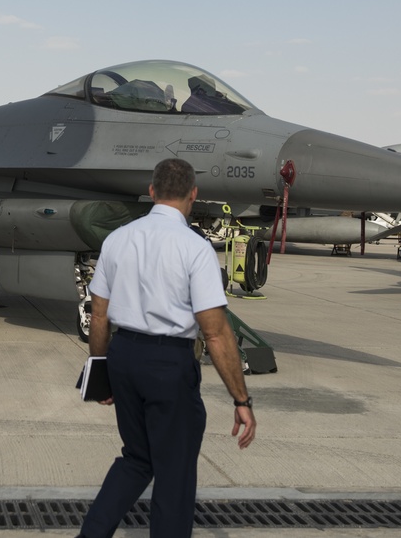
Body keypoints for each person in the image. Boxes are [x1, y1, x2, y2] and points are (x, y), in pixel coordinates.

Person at [78, 158, 257, 538]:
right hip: (168, 361)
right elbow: (216, 333)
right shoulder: (195, 248)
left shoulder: (117, 239)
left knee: (137, 458)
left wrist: (102, 373)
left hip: (124, 356)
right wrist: (241, 400)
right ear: (194, 195)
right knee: (174, 471)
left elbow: (98, 316)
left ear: (152, 191)